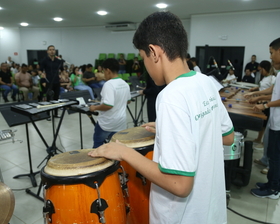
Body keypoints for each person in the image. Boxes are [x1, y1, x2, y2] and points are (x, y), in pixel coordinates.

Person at [88, 12, 234, 224]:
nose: (145, 64)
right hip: (211, 212)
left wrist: (124, 152)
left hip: (183, 217)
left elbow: (180, 185)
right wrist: (176, 129)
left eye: (143, 57)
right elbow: (227, 137)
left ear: (154, 52)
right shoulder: (206, 82)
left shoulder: (171, 96)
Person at [250, 37, 280, 199]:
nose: (270, 57)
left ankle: (274, 189)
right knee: (272, 154)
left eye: (272, 52)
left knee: (276, 158)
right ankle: (270, 183)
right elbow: (272, 90)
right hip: (276, 122)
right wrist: (257, 95)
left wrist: (265, 105)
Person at [89, 58, 131, 148]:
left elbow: (108, 105)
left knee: (98, 145)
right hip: (120, 122)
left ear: (108, 70)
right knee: (116, 147)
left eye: (104, 71)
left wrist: (94, 108)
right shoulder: (125, 83)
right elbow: (128, 100)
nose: (104, 74)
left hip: (107, 123)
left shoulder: (109, 84)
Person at [39, 45, 64, 117]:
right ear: (47, 51)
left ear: (55, 51)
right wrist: (42, 74)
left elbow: (62, 70)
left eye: (53, 49)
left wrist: (62, 75)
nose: (52, 51)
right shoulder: (44, 60)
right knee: (49, 98)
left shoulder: (58, 61)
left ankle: (55, 113)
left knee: (56, 98)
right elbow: (40, 70)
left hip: (57, 81)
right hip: (48, 81)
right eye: (50, 50)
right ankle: (47, 114)